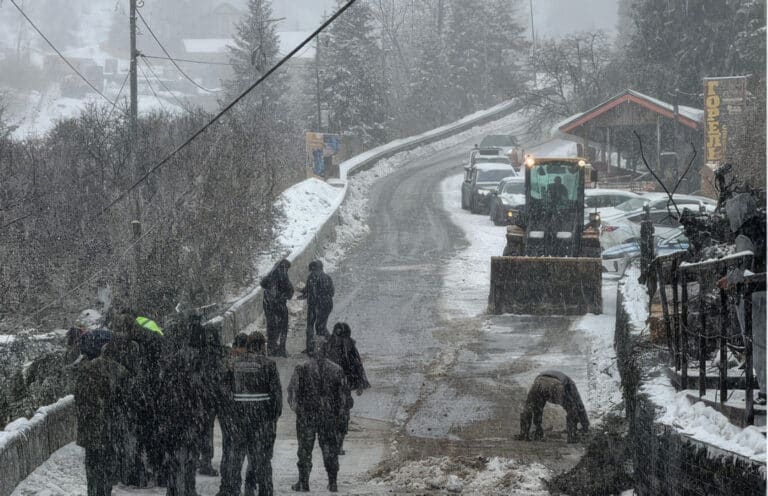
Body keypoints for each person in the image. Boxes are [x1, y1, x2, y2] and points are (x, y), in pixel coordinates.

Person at [218, 332, 282, 496]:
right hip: (261, 422)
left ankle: (232, 490)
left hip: (237, 421)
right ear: (262, 346)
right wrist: (271, 418)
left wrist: (230, 416)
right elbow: (276, 398)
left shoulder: (233, 364)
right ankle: (265, 491)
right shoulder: (269, 365)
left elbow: (224, 394)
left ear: (247, 345)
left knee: (235, 459)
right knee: (262, 461)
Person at [288, 338, 349, 493]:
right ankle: (333, 481)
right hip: (329, 416)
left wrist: (299, 410)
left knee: (304, 450)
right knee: (329, 449)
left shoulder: (302, 368)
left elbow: (292, 393)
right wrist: (340, 415)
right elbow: (344, 398)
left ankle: (303, 482)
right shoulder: (336, 370)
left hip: (307, 416)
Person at [74, 342, 128, 496]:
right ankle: (104, 491)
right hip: (110, 428)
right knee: (107, 465)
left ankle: (93, 491)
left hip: (90, 428)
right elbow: (126, 401)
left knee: (92, 464)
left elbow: (78, 398)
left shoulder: (86, 370)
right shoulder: (119, 371)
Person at [323, 322, 370, 454]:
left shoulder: (350, 348)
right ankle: (332, 442)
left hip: (344, 388)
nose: (340, 339)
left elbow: (358, 366)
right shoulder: (327, 347)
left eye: (343, 336)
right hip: (330, 388)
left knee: (343, 417)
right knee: (331, 416)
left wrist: (360, 383)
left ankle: (338, 444)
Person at [517, 370, 589, 443]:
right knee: (571, 408)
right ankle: (572, 436)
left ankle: (526, 433)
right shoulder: (571, 384)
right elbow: (580, 406)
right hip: (556, 384)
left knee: (532, 407)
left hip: (539, 381)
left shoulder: (558, 377)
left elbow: (537, 408)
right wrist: (585, 425)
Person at [297, 260, 335, 355]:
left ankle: (310, 348)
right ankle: (323, 346)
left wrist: (302, 293)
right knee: (320, 326)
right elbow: (332, 292)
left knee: (310, 326)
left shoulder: (311, 277)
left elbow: (307, 290)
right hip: (325, 305)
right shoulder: (327, 278)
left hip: (313, 305)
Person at [260, 259, 294, 357]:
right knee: (279, 326)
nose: (286, 270)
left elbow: (263, 283)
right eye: (285, 268)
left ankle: (274, 347)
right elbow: (288, 292)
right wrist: (282, 296)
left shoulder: (275, 274)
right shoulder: (278, 275)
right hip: (274, 305)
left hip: (273, 305)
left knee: (275, 326)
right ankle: (277, 348)